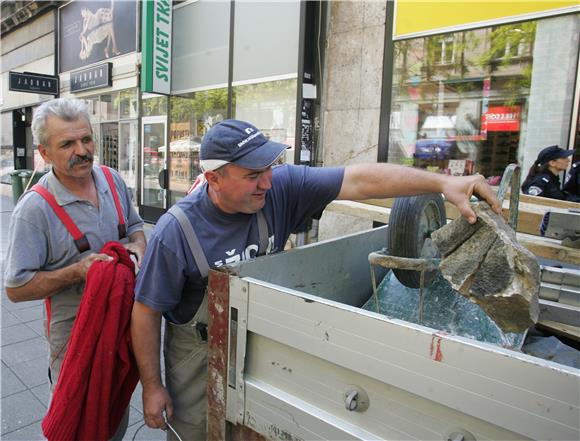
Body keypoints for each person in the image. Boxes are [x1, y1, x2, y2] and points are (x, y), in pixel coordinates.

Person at [131, 119, 501, 441]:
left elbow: (359, 180)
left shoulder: (280, 189)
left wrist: (441, 184)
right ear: (214, 178)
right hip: (197, 359)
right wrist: (152, 387)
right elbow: (145, 312)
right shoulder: (175, 232)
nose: (268, 182)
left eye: (270, 167)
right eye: (252, 175)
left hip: (258, 345)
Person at [4, 98, 146, 440]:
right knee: (78, 420)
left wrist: (138, 247)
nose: (81, 151)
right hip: (74, 341)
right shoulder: (34, 209)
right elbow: (15, 288)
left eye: (86, 140)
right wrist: (76, 272)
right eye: (67, 144)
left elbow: (136, 227)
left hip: (122, 325)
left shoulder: (112, 181)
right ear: (45, 152)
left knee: (114, 411)